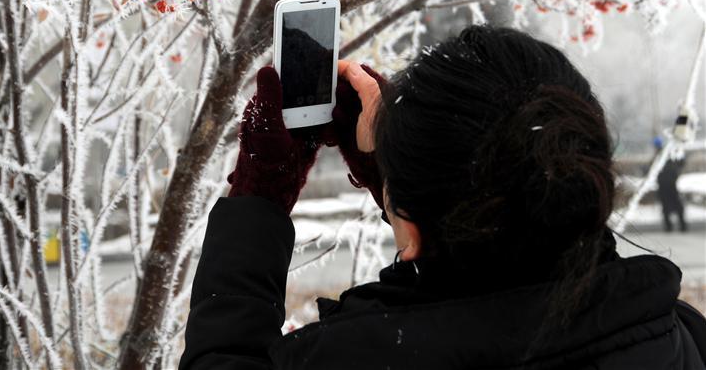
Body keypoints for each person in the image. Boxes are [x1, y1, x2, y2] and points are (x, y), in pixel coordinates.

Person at [180, 25, 706, 369]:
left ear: (410, 235)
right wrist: (404, 177)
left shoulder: (351, 359)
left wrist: (261, 193)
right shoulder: (673, 335)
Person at [658, 152, 688, 233]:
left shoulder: (660, 161)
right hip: (670, 187)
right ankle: (680, 225)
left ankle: (671, 226)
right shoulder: (669, 162)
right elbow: (681, 164)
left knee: (668, 207)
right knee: (677, 207)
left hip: (666, 187)